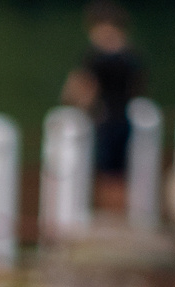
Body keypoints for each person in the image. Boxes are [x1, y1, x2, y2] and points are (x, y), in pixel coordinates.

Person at [63, 2, 148, 199]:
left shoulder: (95, 57)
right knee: (123, 173)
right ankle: (122, 209)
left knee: (106, 175)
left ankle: (109, 210)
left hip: (105, 120)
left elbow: (81, 88)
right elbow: (139, 87)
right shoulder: (132, 55)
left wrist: (74, 105)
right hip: (126, 120)